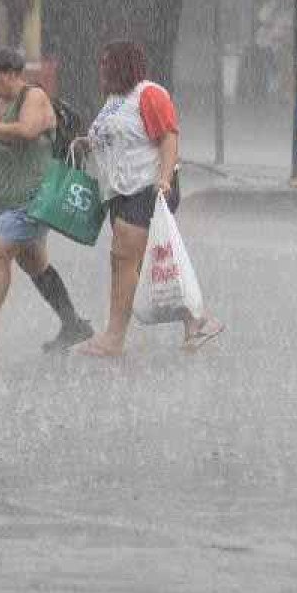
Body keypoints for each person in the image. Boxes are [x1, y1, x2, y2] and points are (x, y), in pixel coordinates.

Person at [73, 41, 222, 358]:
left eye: (105, 64)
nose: (100, 71)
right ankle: (197, 319)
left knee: (125, 259)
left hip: (147, 187)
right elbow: (118, 136)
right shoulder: (114, 99)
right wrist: (89, 143)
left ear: (121, 66)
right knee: (134, 263)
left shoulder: (149, 93)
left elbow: (168, 137)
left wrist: (165, 178)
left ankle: (113, 337)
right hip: (120, 191)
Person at [0, 48, 94, 357]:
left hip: (30, 199)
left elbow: (26, 131)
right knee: (34, 264)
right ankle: (73, 324)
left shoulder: (34, 97)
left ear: (12, 74)